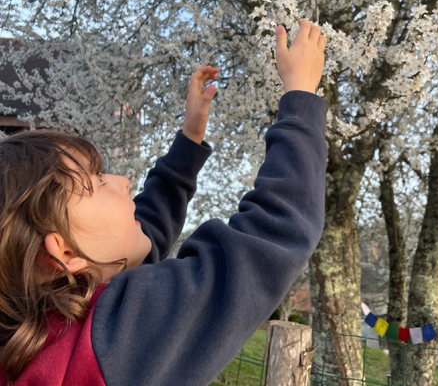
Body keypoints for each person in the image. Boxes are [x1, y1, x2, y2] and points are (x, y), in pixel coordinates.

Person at [0, 19, 328, 386]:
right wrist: (300, 96)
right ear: (64, 254)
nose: (123, 182)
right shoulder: (114, 343)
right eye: (97, 182)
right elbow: (274, 234)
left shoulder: (40, 338)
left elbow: (140, 238)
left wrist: (189, 142)